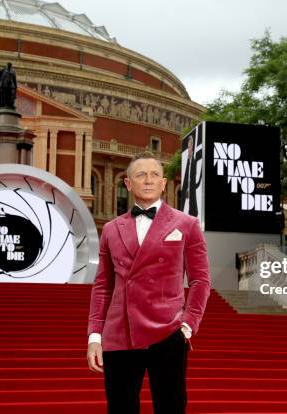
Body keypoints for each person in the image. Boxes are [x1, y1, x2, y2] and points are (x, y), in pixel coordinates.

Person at [87, 151, 211, 414]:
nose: (148, 180)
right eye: (140, 175)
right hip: (120, 333)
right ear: (128, 183)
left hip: (168, 331)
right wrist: (95, 335)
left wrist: (188, 325)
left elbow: (200, 280)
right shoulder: (111, 229)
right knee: (120, 409)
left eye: (155, 174)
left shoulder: (186, 224)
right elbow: (103, 286)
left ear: (164, 183)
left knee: (170, 407)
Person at [180, 133, 202, 216]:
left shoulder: (194, 161)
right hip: (186, 197)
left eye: (190, 147)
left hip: (192, 198)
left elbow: (198, 176)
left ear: (192, 148)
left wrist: (195, 184)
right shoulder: (187, 162)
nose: (189, 149)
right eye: (188, 147)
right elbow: (186, 180)